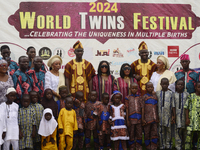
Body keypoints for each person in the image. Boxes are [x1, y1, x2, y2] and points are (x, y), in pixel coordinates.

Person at [156, 78, 174, 150]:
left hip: (168, 115)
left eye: (166, 84)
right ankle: (162, 145)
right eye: (163, 84)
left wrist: (173, 115)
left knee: (169, 130)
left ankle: (168, 145)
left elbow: (173, 105)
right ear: (160, 84)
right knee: (161, 131)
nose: (164, 85)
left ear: (168, 85)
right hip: (160, 115)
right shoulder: (157, 93)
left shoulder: (171, 93)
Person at [125, 83, 143, 150]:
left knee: (139, 132)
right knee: (131, 132)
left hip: (139, 118)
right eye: (133, 88)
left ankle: (138, 146)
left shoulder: (139, 97)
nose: (134, 90)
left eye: (136, 88)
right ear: (130, 89)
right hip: (131, 119)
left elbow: (142, 108)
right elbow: (126, 109)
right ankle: (131, 146)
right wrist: (127, 120)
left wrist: (142, 118)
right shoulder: (127, 98)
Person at [173, 79, 189, 150]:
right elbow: (173, 106)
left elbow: (188, 106)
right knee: (177, 131)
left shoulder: (186, 94)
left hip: (184, 116)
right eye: (179, 84)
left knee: (185, 131)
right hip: (177, 115)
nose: (180, 86)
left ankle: (185, 145)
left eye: (182, 85)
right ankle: (178, 146)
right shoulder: (174, 94)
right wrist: (174, 115)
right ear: (176, 86)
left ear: (184, 86)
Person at [142, 82, 159, 150]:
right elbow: (142, 109)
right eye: (148, 87)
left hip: (154, 119)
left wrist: (157, 116)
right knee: (147, 133)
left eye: (151, 87)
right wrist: (143, 119)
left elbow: (156, 108)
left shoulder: (155, 97)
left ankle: (154, 146)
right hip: (147, 119)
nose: (150, 88)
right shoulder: (144, 97)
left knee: (154, 133)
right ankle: (148, 147)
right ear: (146, 88)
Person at [184, 81, 200, 150]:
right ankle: (187, 147)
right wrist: (187, 118)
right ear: (195, 87)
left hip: (199, 120)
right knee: (189, 134)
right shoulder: (191, 96)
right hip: (191, 119)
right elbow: (186, 107)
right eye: (199, 87)